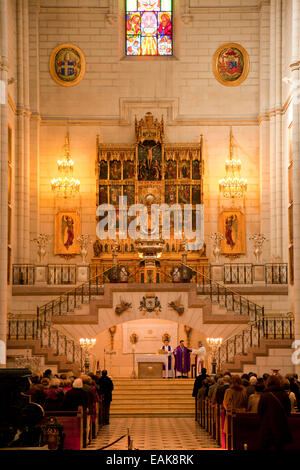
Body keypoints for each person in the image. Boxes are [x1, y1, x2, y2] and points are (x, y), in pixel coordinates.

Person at [258, 375, 292, 450]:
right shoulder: (284, 395)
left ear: (268, 383)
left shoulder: (264, 395)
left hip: (267, 426)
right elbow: (288, 410)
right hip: (281, 426)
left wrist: (262, 422)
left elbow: (260, 411)